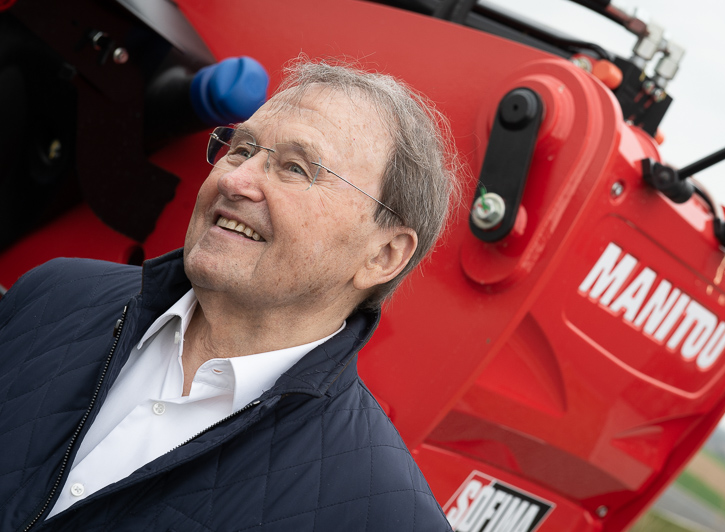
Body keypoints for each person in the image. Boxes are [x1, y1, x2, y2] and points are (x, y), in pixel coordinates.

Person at [0, 59, 459, 531]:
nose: (233, 180)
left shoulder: (383, 514)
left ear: (383, 254)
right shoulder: (51, 295)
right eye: (241, 149)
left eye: (295, 168)